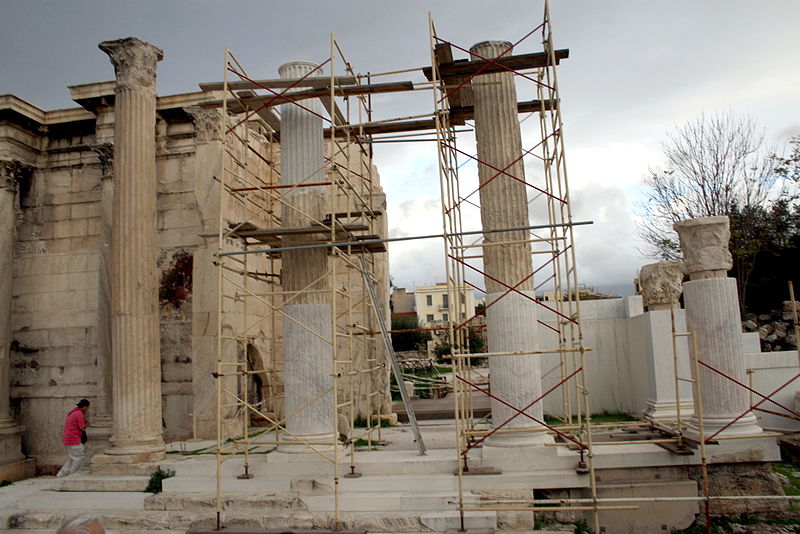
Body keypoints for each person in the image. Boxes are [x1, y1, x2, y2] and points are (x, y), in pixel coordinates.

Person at [56, 399, 90, 478]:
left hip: (68, 439)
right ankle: (73, 475)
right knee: (79, 457)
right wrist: (87, 424)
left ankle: (61, 474)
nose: (87, 409)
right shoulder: (79, 414)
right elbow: (82, 427)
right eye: (87, 407)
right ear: (84, 406)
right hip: (74, 439)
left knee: (73, 457)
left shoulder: (73, 413)